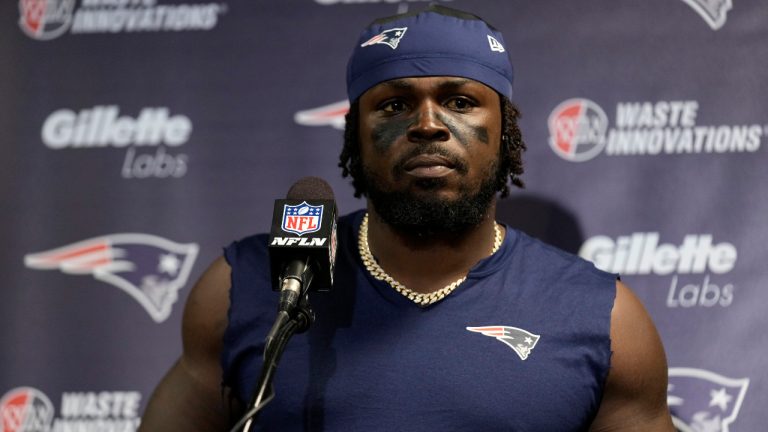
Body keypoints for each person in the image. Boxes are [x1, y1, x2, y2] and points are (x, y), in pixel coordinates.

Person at [140, 5, 675, 431]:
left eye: (460, 102)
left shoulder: (601, 316)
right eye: (394, 105)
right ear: (356, 135)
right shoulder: (249, 286)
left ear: (506, 131)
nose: (427, 125)